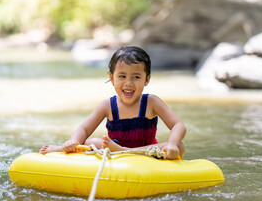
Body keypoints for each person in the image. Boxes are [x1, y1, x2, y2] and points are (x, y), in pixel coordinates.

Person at [39, 46, 186, 159]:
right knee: (89, 141)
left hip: (145, 150)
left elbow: (178, 125)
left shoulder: (151, 102)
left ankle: (124, 152)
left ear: (146, 79)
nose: (128, 83)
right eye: (122, 76)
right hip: (113, 148)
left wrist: (172, 144)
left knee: (180, 146)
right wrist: (73, 141)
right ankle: (62, 148)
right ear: (112, 78)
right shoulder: (107, 106)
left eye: (136, 77)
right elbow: (84, 129)